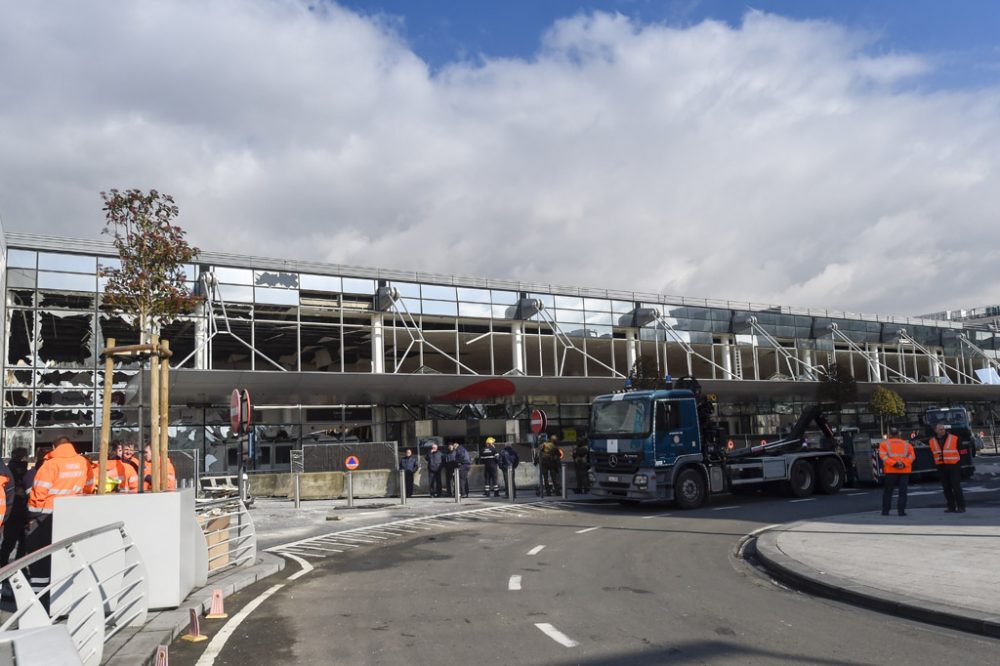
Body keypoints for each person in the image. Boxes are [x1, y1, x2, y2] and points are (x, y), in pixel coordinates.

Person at [27, 438, 90, 593]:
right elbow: (88, 487)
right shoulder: (84, 462)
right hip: (73, 515)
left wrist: (32, 516)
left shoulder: (50, 464)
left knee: (40, 558)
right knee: (66, 556)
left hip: (46, 518)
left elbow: (38, 494)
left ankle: (39, 594)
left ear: (54, 447)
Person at [1, 448, 30, 564]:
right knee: (17, 542)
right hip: (19, 509)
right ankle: (10, 566)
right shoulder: (18, 470)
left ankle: (5, 564)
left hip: (14, 510)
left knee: (12, 542)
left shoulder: (8, 469)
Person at [929, 423, 966, 513]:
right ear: (936, 430)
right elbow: (933, 454)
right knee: (946, 487)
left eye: (943, 429)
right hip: (941, 466)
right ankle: (951, 506)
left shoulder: (954, 438)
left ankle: (961, 507)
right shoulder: (932, 441)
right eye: (940, 429)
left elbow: (963, 451)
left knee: (956, 486)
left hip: (954, 465)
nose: (942, 431)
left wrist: (960, 463)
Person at [879, 429, 915, 516]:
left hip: (891, 471)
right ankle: (901, 511)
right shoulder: (906, 444)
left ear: (889, 435)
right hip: (904, 470)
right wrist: (903, 464)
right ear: (898, 434)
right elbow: (912, 456)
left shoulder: (884, 444)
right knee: (903, 492)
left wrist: (894, 464)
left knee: (888, 492)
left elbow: (883, 456)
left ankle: (885, 511)